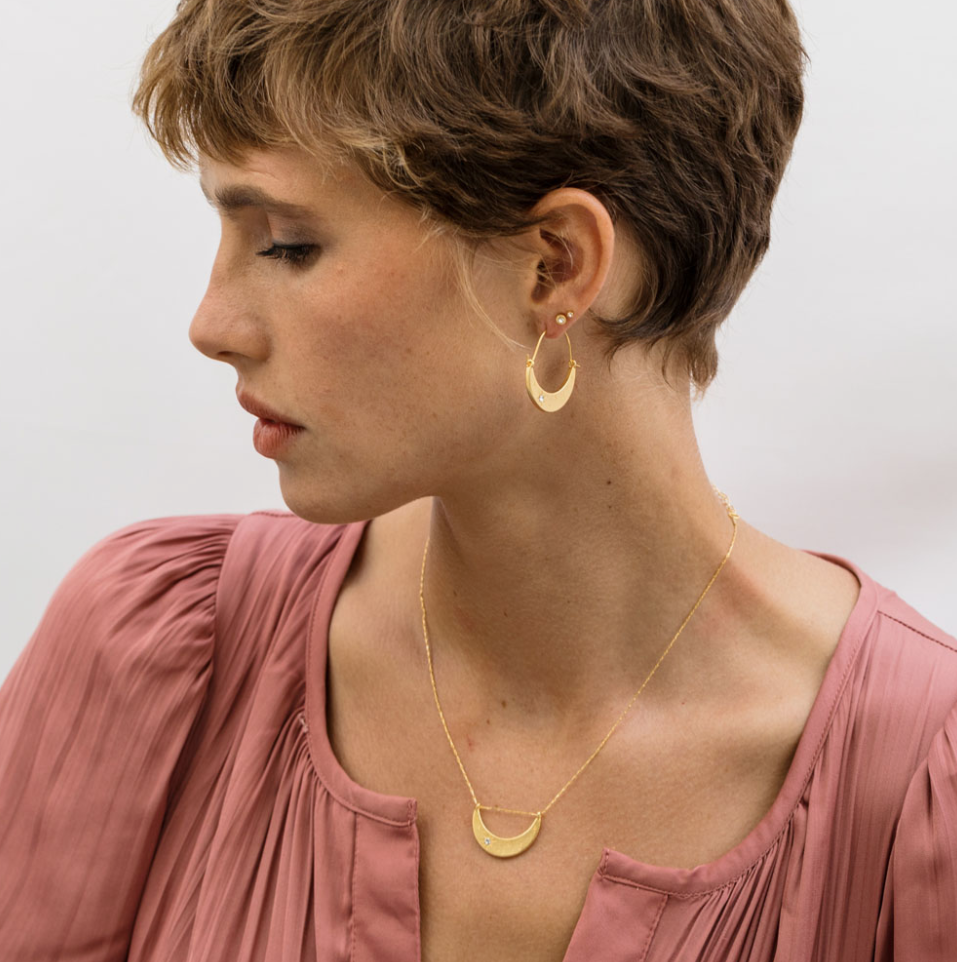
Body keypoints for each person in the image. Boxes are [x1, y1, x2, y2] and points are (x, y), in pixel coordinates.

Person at [1, 0, 954, 958]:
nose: (212, 326)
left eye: (287, 242)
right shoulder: (162, 656)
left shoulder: (917, 788)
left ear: (555, 267)